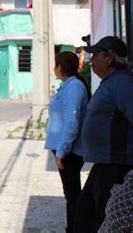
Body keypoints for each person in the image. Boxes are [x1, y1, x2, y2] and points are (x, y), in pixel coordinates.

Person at [75, 36, 133, 232]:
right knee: (86, 210)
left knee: (101, 216)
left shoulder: (122, 83)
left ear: (109, 58)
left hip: (116, 164)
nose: (92, 60)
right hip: (104, 162)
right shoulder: (111, 82)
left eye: (96, 55)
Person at [44, 51, 90, 233]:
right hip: (65, 149)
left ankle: (76, 228)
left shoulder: (74, 88)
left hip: (70, 151)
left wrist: (62, 152)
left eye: (55, 65)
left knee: (73, 195)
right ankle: (73, 226)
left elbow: (72, 123)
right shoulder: (68, 86)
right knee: (70, 194)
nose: (54, 69)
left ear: (60, 67)